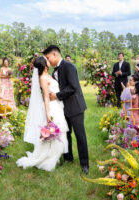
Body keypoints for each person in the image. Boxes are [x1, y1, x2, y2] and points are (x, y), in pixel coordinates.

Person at [17, 56, 68, 172]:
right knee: (56, 130)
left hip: (58, 104)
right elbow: (45, 96)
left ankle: (58, 154)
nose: (49, 61)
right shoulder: (43, 78)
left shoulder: (48, 75)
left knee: (59, 130)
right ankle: (51, 156)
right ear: (44, 64)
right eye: (47, 60)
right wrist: (47, 113)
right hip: (52, 107)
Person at [45, 45, 89, 174]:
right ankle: (68, 158)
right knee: (66, 134)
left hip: (75, 106)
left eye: (48, 58)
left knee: (80, 136)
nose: (48, 61)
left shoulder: (69, 66)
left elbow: (73, 87)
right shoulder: (54, 71)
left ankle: (85, 164)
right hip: (63, 108)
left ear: (55, 55)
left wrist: (57, 96)